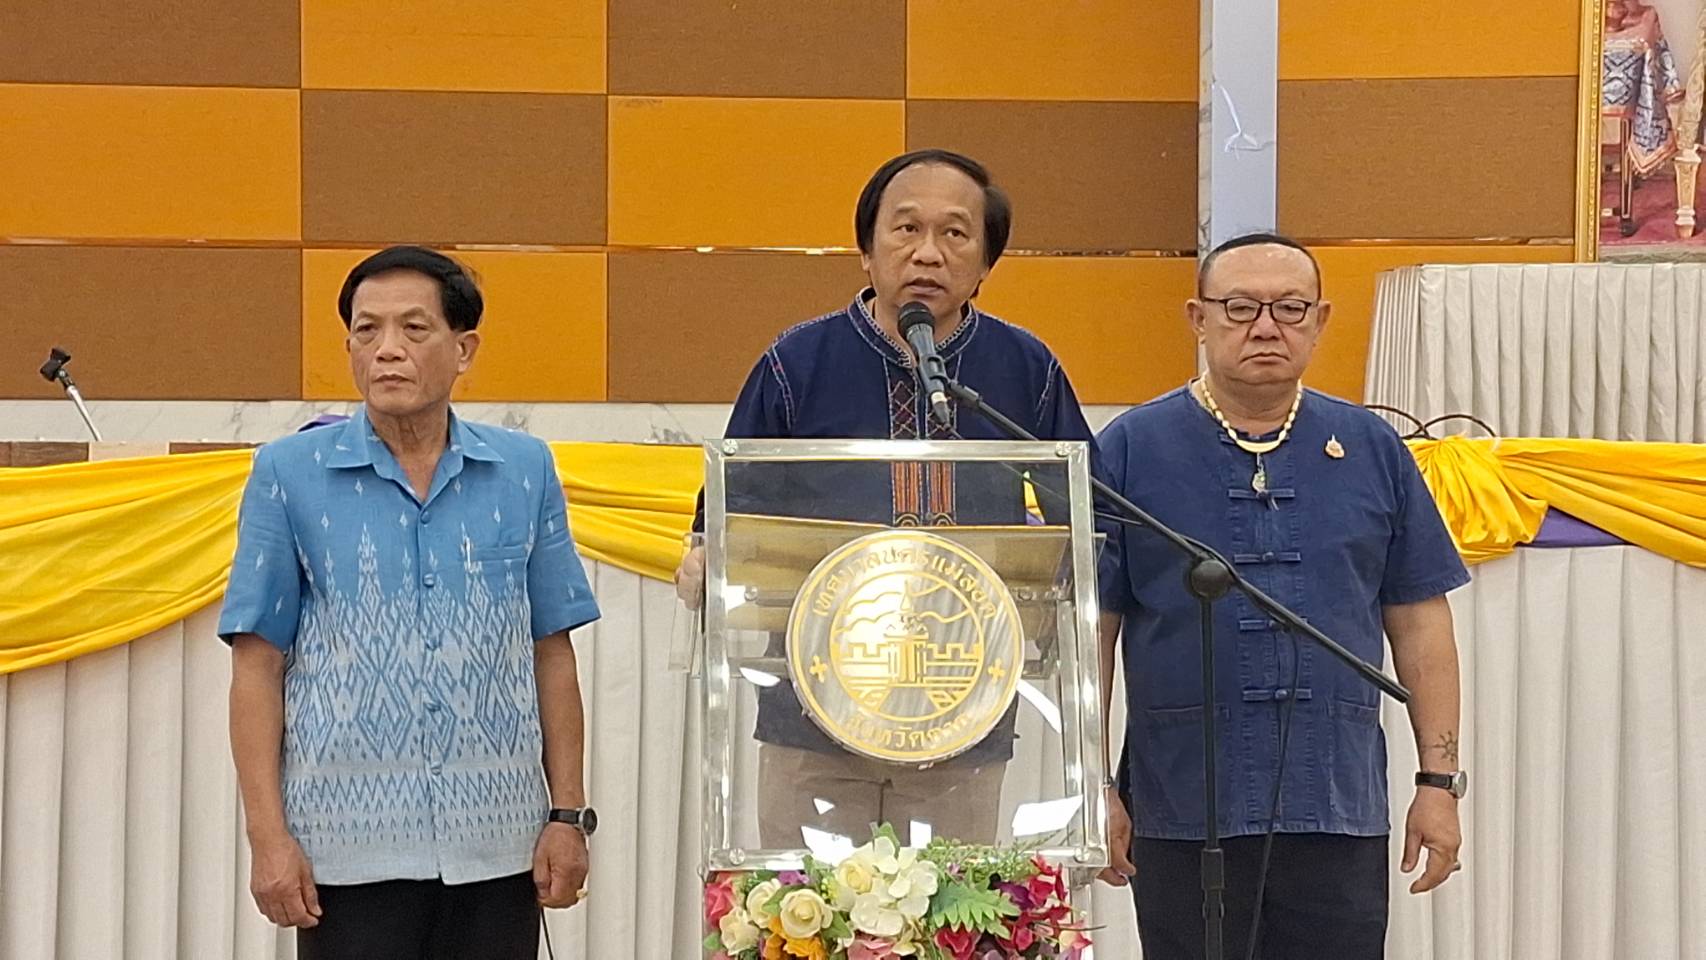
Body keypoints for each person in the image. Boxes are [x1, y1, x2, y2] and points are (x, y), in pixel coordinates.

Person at [674, 149, 1098, 849]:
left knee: (955, 910)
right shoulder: (796, 364)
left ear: (986, 263)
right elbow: (723, 516)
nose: (928, 252)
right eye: (906, 229)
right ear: (866, 251)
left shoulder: (1026, 369)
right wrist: (702, 558)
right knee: (807, 912)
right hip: (810, 709)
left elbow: (1086, 527)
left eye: (955, 233)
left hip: (965, 708)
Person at [219, 246, 601, 959]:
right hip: (345, 850)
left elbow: (552, 652)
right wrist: (268, 838)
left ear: (464, 349)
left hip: (499, 843)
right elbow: (256, 667)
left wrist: (567, 815)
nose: (386, 350)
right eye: (366, 331)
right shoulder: (287, 472)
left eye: (413, 328)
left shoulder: (523, 470)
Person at [1095, 233, 1468, 959]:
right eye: (1240, 307)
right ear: (1198, 318)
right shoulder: (1132, 447)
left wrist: (1439, 781)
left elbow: (1421, 623)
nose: (1266, 327)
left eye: (1290, 308)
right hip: (1183, 801)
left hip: (1334, 800)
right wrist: (1092, 787)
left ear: (1320, 320)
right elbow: (1094, 628)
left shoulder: (1371, 448)